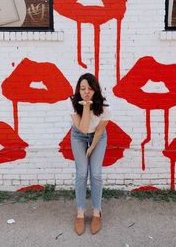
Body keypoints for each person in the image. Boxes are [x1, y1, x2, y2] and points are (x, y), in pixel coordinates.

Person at [69, 73, 111, 235]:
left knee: (96, 174)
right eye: (82, 88)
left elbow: (99, 131)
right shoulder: (73, 104)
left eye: (90, 88)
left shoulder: (105, 106)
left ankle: (96, 212)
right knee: (81, 173)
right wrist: (85, 106)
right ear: (78, 90)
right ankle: (80, 212)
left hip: (98, 138)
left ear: (95, 90)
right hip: (79, 134)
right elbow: (83, 129)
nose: (86, 92)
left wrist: (92, 147)